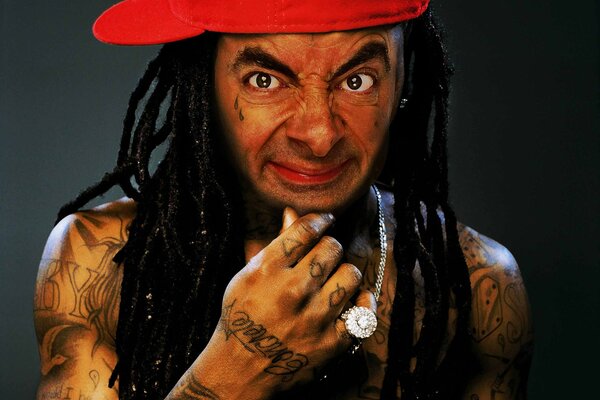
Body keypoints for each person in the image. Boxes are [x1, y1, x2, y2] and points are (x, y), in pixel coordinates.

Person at [33, 0, 533, 399]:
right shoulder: (99, 261)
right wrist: (236, 370)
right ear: (202, 85)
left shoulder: (478, 283)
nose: (319, 135)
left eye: (357, 81)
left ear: (404, 81)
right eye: (265, 80)